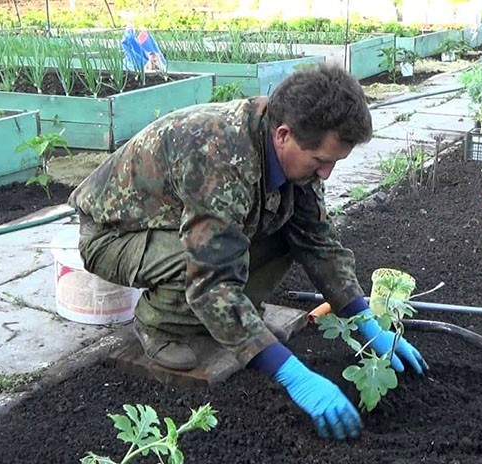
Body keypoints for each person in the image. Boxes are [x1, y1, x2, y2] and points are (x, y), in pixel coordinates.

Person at [68, 64, 429, 441]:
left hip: (179, 219)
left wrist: (365, 322)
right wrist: (290, 373)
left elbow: (318, 241)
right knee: (199, 263)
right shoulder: (219, 155)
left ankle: (241, 323)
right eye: (321, 161)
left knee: (283, 229)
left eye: (334, 163)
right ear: (284, 135)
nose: (326, 175)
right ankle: (159, 324)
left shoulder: (288, 145)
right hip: (117, 234)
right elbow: (211, 281)